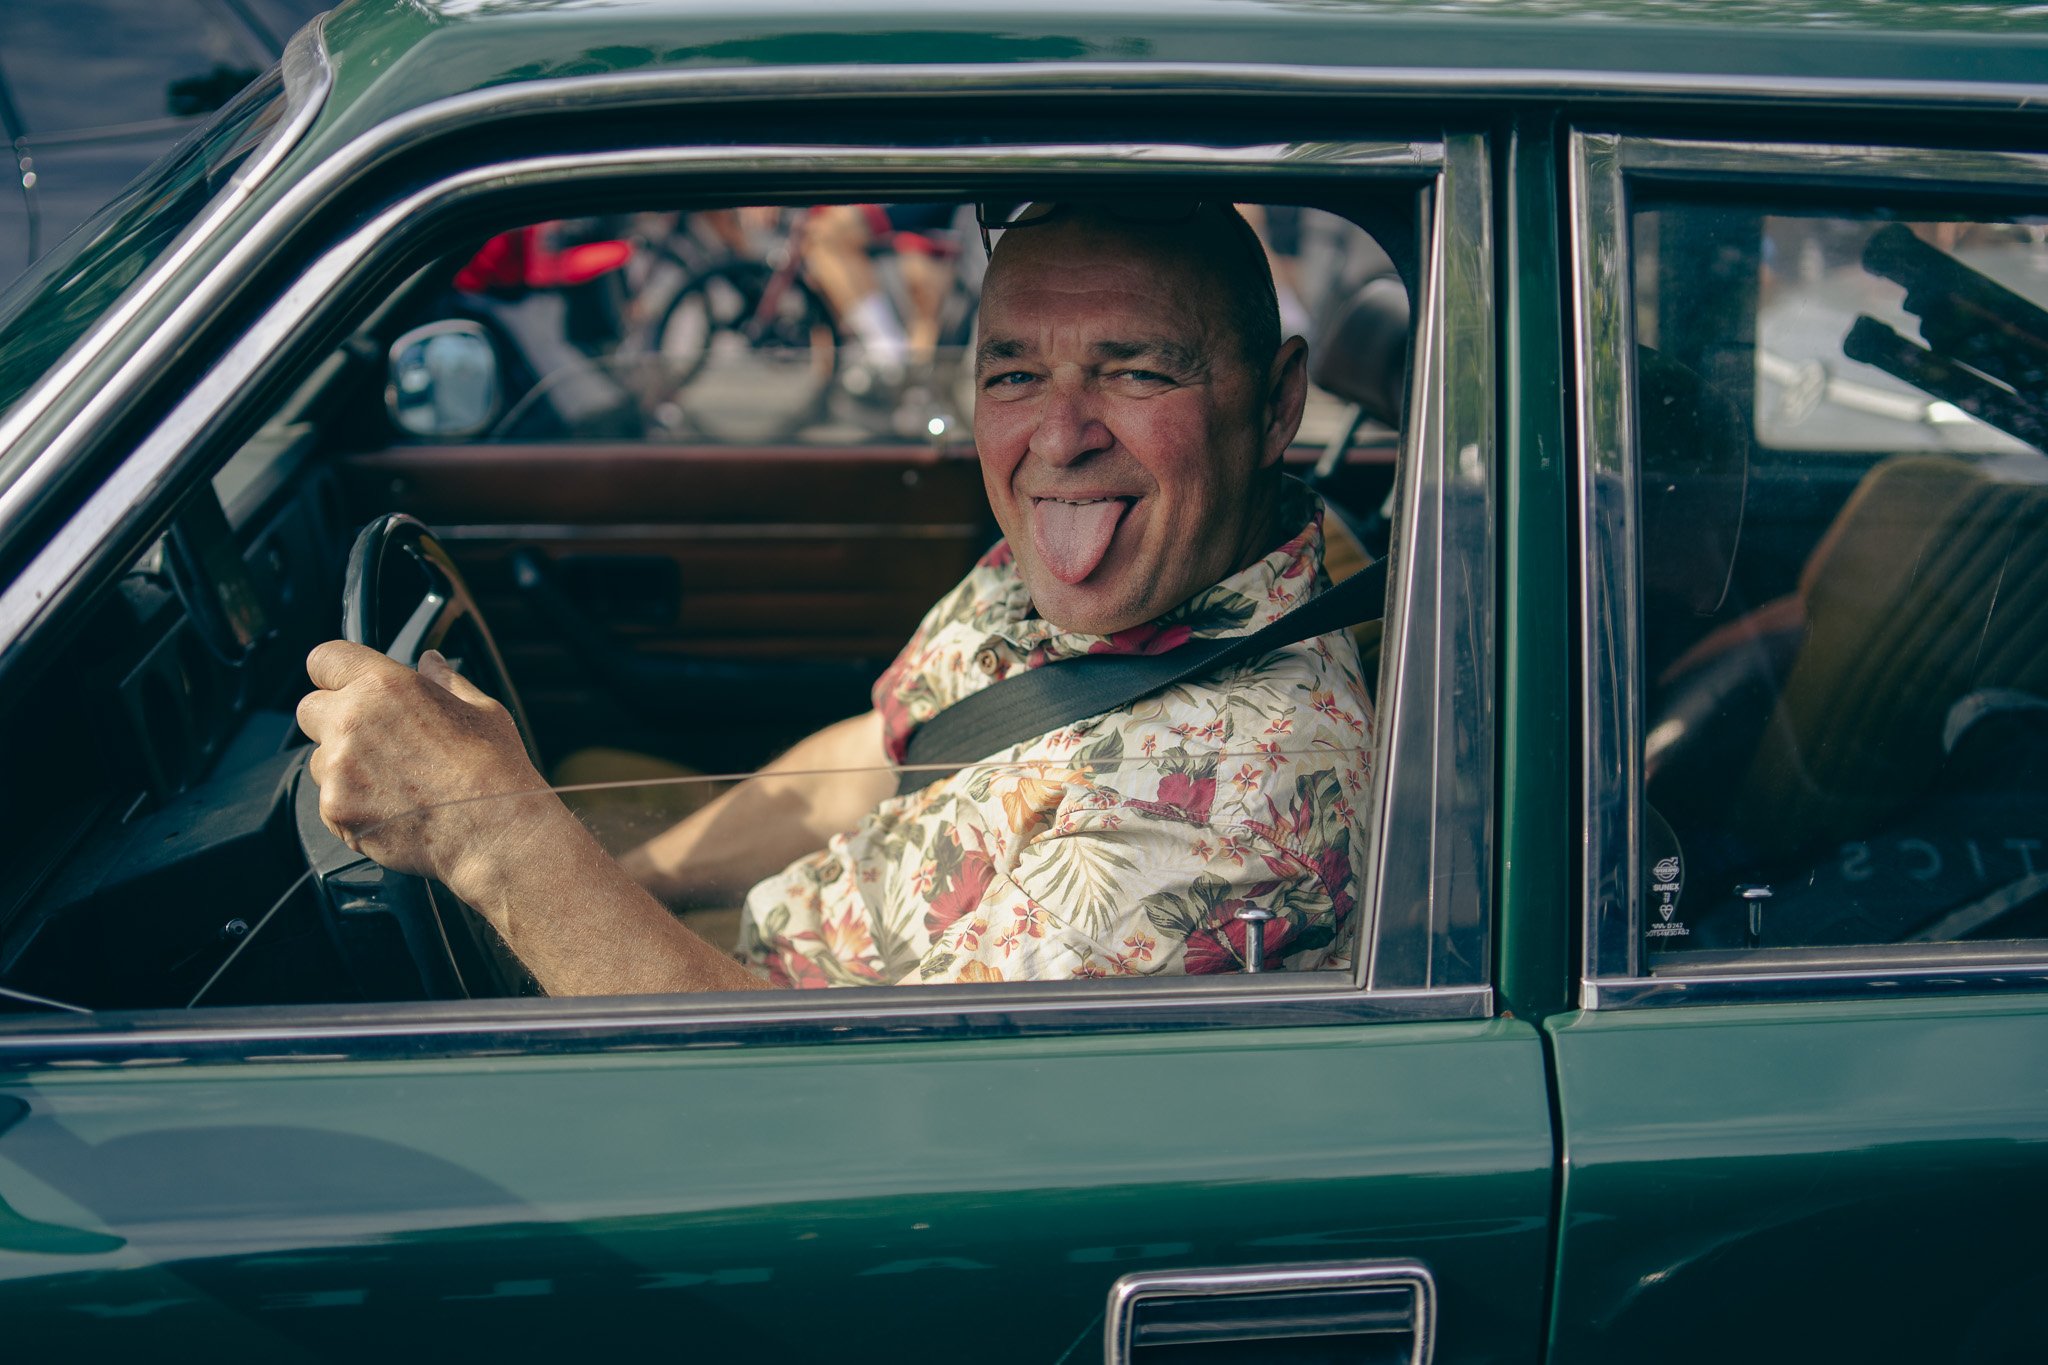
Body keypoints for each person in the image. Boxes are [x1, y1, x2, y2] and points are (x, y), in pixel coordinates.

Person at [296, 202, 1375, 996]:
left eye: (1135, 372)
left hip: (758, 1052)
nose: (1056, 438)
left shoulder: (1230, 806)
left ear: (1275, 404)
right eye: (1012, 374)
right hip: (776, 952)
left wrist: (497, 835)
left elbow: (806, 1110)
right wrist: (635, 878)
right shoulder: (1117, 564)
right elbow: (884, 745)